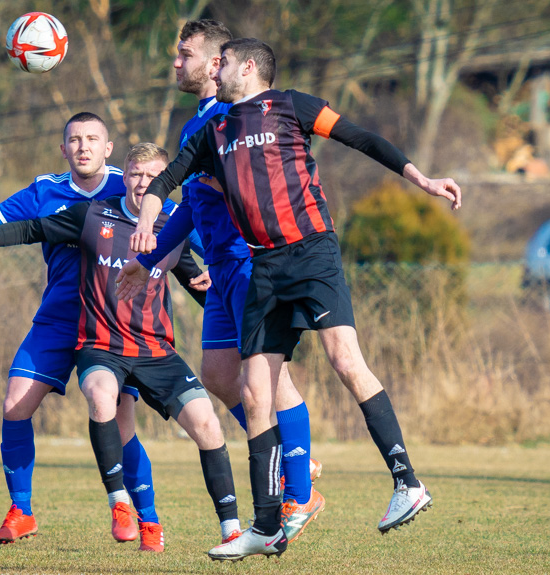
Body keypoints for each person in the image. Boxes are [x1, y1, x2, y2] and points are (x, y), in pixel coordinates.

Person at [124, 38, 461, 560]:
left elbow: (361, 138)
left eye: (225, 64)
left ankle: (407, 483)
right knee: (254, 392)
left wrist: (421, 178)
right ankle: (267, 526)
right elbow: (166, 184)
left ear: (249, 67)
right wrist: (147, 223)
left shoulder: (291, 105)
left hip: (311, 253)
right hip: (265, 267)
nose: (217, 72)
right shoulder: (214, 131)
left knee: (345, 360)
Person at [0, 113, 205, 550]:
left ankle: (148, 520)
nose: (83, 146)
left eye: (92, 139)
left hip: (111, 326)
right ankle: (22, 511)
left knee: (121, 424)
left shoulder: (136, 184)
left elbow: (181, 235)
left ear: (108, 147)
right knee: (13, 404)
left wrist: (216, 278)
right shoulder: (45, 190)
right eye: (74, 140)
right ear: (63, 148)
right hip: (60, 319)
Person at [116, 20, 324, 545]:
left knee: (270, 382)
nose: (175, 63)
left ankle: (299, 489)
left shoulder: (236, 120)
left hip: (252, 263)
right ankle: (282, 450)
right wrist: (154, 260)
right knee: (217, 372)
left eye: (184, 54)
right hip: (224, 268)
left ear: (216, 64)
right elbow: (193, 205)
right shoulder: (198, 126)